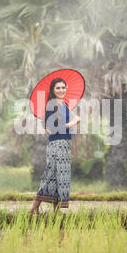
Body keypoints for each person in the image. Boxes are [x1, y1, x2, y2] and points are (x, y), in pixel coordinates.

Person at [29, 78, 80, 214]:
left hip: (64, 144)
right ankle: (33, 208)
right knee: (50, 175)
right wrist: (72, 123)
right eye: (58, 88)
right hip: (56, 145)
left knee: (59, 177)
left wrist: (74, 119)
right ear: (53, 90)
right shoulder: (51, 105)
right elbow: (51, 129)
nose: (61, 90)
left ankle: (56, 212)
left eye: (63, 87)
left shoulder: (64, 104)